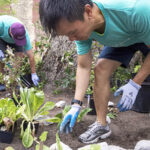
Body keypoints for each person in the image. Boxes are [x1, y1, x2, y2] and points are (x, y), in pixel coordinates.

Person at [39, 0, 150, 144]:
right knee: (101, 69)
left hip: (142, 28)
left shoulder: (136, 9)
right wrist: (76, 104)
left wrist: (136, 83)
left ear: (89, 12)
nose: (72, 39)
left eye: (72, 33)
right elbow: (84, 66)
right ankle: (101, 125)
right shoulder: (81, 26)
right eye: (67, 35)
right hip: (124, 39)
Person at [0, 15, 39, 90]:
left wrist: (33, 73)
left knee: (20, 56)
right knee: (1, 60)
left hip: (15, 37)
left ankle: (13, 80)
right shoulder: (1, 24)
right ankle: (2, 80)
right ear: (11, 33)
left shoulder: (23, 34)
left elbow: (31, 55)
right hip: (1, 38)